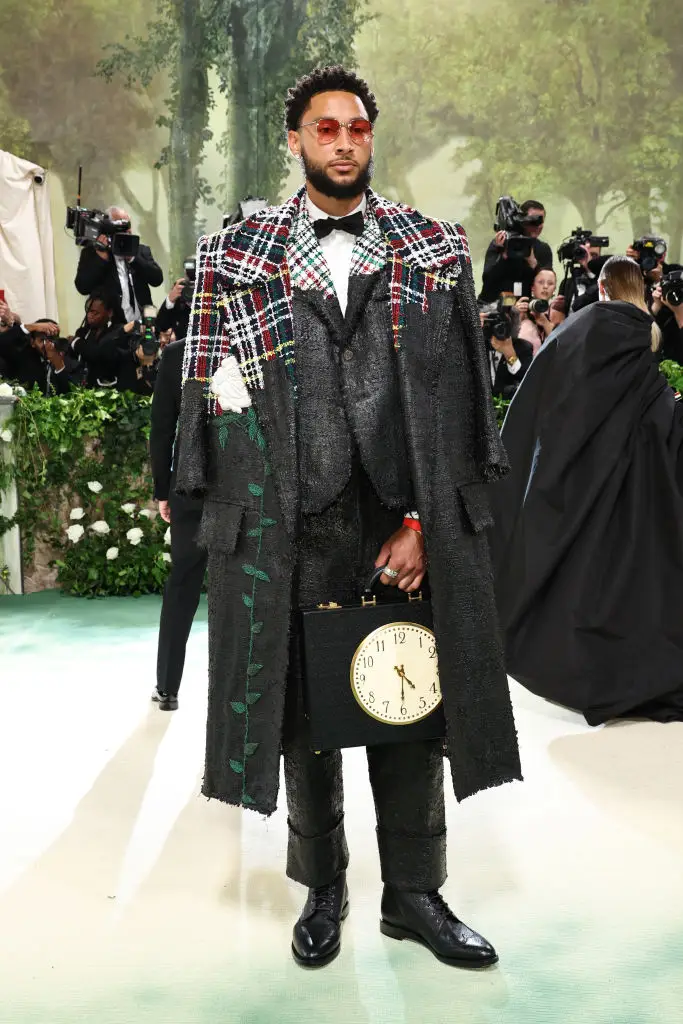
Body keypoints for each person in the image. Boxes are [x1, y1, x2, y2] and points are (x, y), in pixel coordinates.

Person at [176, 65, 521, 970]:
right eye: (323, 129)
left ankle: (413, 894)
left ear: (370, 138)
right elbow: (204, 389)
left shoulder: (431, 247)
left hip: (395, 517)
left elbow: (459, 408)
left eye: (356, 128)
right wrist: (217, 504)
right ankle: (321, 884)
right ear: (294, 141)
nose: (341, 142)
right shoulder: (234, 253)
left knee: (408, 697)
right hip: (287, 519)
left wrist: (420, 523)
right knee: (301, 711)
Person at [490, 255, 683, 725]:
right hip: (639, 474)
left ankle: (594, 674)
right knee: (636, 572)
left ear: (602, 287)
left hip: (584, 472)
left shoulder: (586, 326)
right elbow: (655, 409)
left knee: (587, 572)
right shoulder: (644, 334)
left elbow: (550, 396)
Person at [149, 338, 206, 711]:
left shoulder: (176, 354)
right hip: (246, 489)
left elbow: (161, 429)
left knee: (182, 585)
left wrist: (162, 489)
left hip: (190, 484)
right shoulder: (255, 343)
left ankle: (168, 688)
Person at [74, 206, 164, 322]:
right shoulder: (92, 253)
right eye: (120, 228)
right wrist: (101, 258)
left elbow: (157, 279)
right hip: (112, 329)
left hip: (144, 324)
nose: (127, 232)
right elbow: (82, 287)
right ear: (107, 230)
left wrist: (132, 258)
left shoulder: (140, 250)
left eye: (128, 227)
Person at [479, 200, 553, 303]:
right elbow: (488, 280)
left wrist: (534, 264)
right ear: (522, 221)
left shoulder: (543, 249)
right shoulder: (501, 242)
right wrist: (503, 256)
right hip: (494, 306)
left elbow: (547, 284)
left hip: (526, 307)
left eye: (541, 221)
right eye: (533, 221)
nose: (537, 226)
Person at [0, 317, 79, 395]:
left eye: (52, 338)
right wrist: (31, 327)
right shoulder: (22, 357)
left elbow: (71, 394)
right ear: (32, 342)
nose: (48, 344)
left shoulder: (69, 362)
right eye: (42, 340)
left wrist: (58, 364)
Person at [70, 291, 125, 388]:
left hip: (109, 390)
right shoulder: (83, 332)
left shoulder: (118, 331)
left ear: (110, 313)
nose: (89, 315)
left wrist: (75, 342)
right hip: (84, 389)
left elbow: (98, 353)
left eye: (95, 312)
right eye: (88, 311)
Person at [480, 303, 533, 396]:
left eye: (505, 324)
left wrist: (510, 355)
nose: (499, 327)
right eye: (494, 322)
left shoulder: (523, 347)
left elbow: (526, 381)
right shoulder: (477, 346)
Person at [515, 267, 565, 356]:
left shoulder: (557, 314)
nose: (545, 286)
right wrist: (514, 315)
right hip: (521, 365)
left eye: (550, 283)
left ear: (554, 289)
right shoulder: (521, 310)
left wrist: (546, 323)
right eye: (541, 282)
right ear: (532, 287)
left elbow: (561, 350)